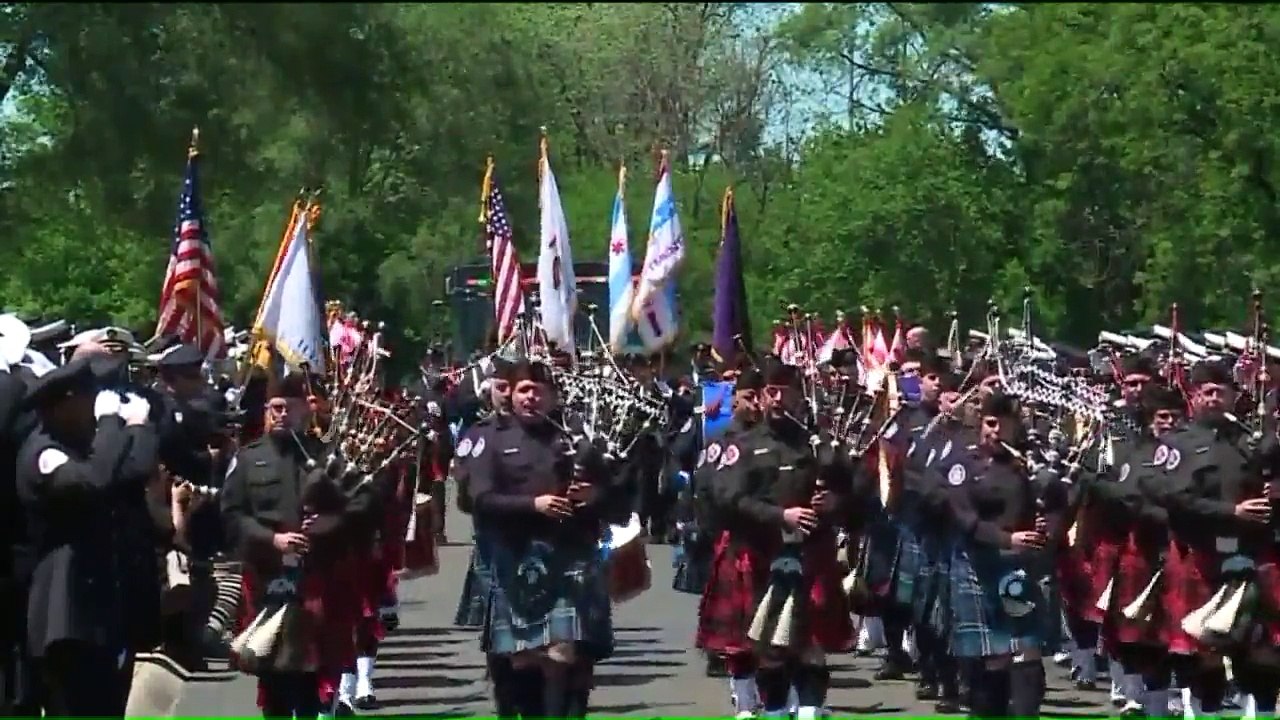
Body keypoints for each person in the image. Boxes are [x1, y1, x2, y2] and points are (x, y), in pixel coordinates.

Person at [468, 358, 622, 718]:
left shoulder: (579, 440)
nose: (531, 398)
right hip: (515, 559)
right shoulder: (491, 438)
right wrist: (533, 504)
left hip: (569, 559)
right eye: (524, 390)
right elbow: (481, 500)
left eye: (540, 391)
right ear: (513, 394)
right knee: (520, 662)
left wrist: (594, 496)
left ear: (553, 397)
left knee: (562, 655)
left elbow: (620, 504)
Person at [708, 359, 858, 720]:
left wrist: (836, 502)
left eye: (783, 392)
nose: (776, 399)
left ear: (797, 397)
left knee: (811, 644)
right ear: (759, 398)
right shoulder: (743, 445)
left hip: (811, 554)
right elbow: (727, 498)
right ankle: (773, 711)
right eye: (769, 392)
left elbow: (855, 493)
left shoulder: (817, 444)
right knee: (769, 648)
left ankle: (809, 709)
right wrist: (781, 516)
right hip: (761, 553)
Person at [15, 357, 155, 717]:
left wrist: (139, 428)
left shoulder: (80, 448)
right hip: (65, 612)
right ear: (64, 404)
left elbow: (131, 471)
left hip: (96, 609)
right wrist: (110, 421)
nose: (94, 407)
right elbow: (93, 482)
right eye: (87, 399)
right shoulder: (44, 453)